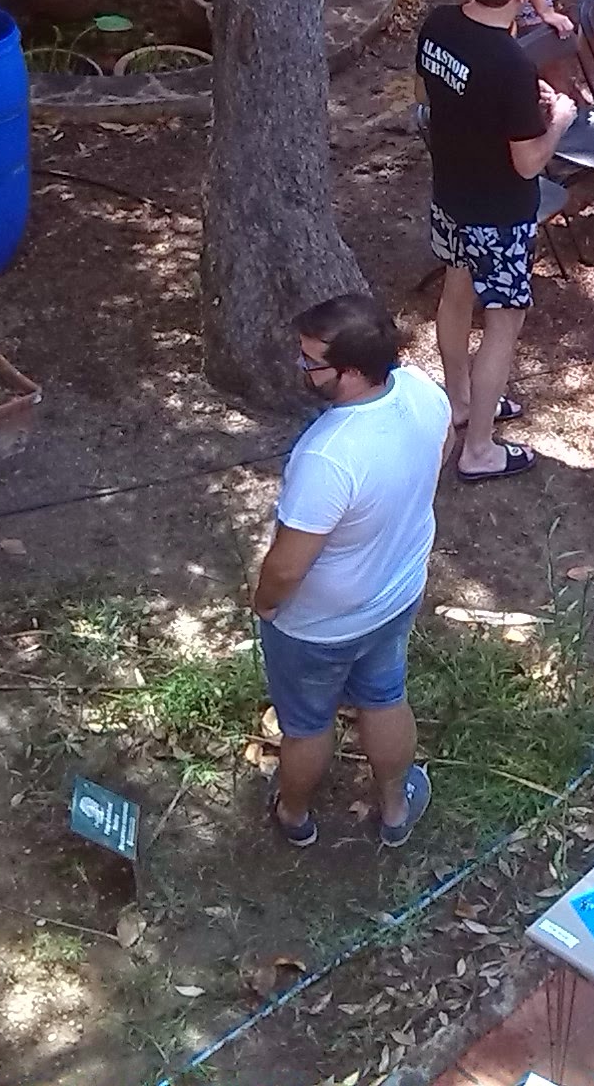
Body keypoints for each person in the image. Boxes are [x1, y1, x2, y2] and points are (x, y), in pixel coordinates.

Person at [252, 295, 451, 849]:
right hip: (395, 597)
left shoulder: (327, 455)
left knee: (306, 725)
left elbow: (288, 566)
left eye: (312, 362)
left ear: (353, 372)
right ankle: (395, 809)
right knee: (385, 697)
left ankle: (294, 815)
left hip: (318, 626)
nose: (301, 368)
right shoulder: (422, 391)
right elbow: (444, 448)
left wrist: (265, 603)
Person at [416, 0, 576, 481]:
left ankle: (460, 401)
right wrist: (559, 121)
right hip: (499, 212)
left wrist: (515, 107)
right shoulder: (510, 64)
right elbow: (528, 163)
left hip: (451, 193)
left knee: (456, 293)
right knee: (503, 323)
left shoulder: (438, 24)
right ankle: (480, 450)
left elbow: (427, 93)